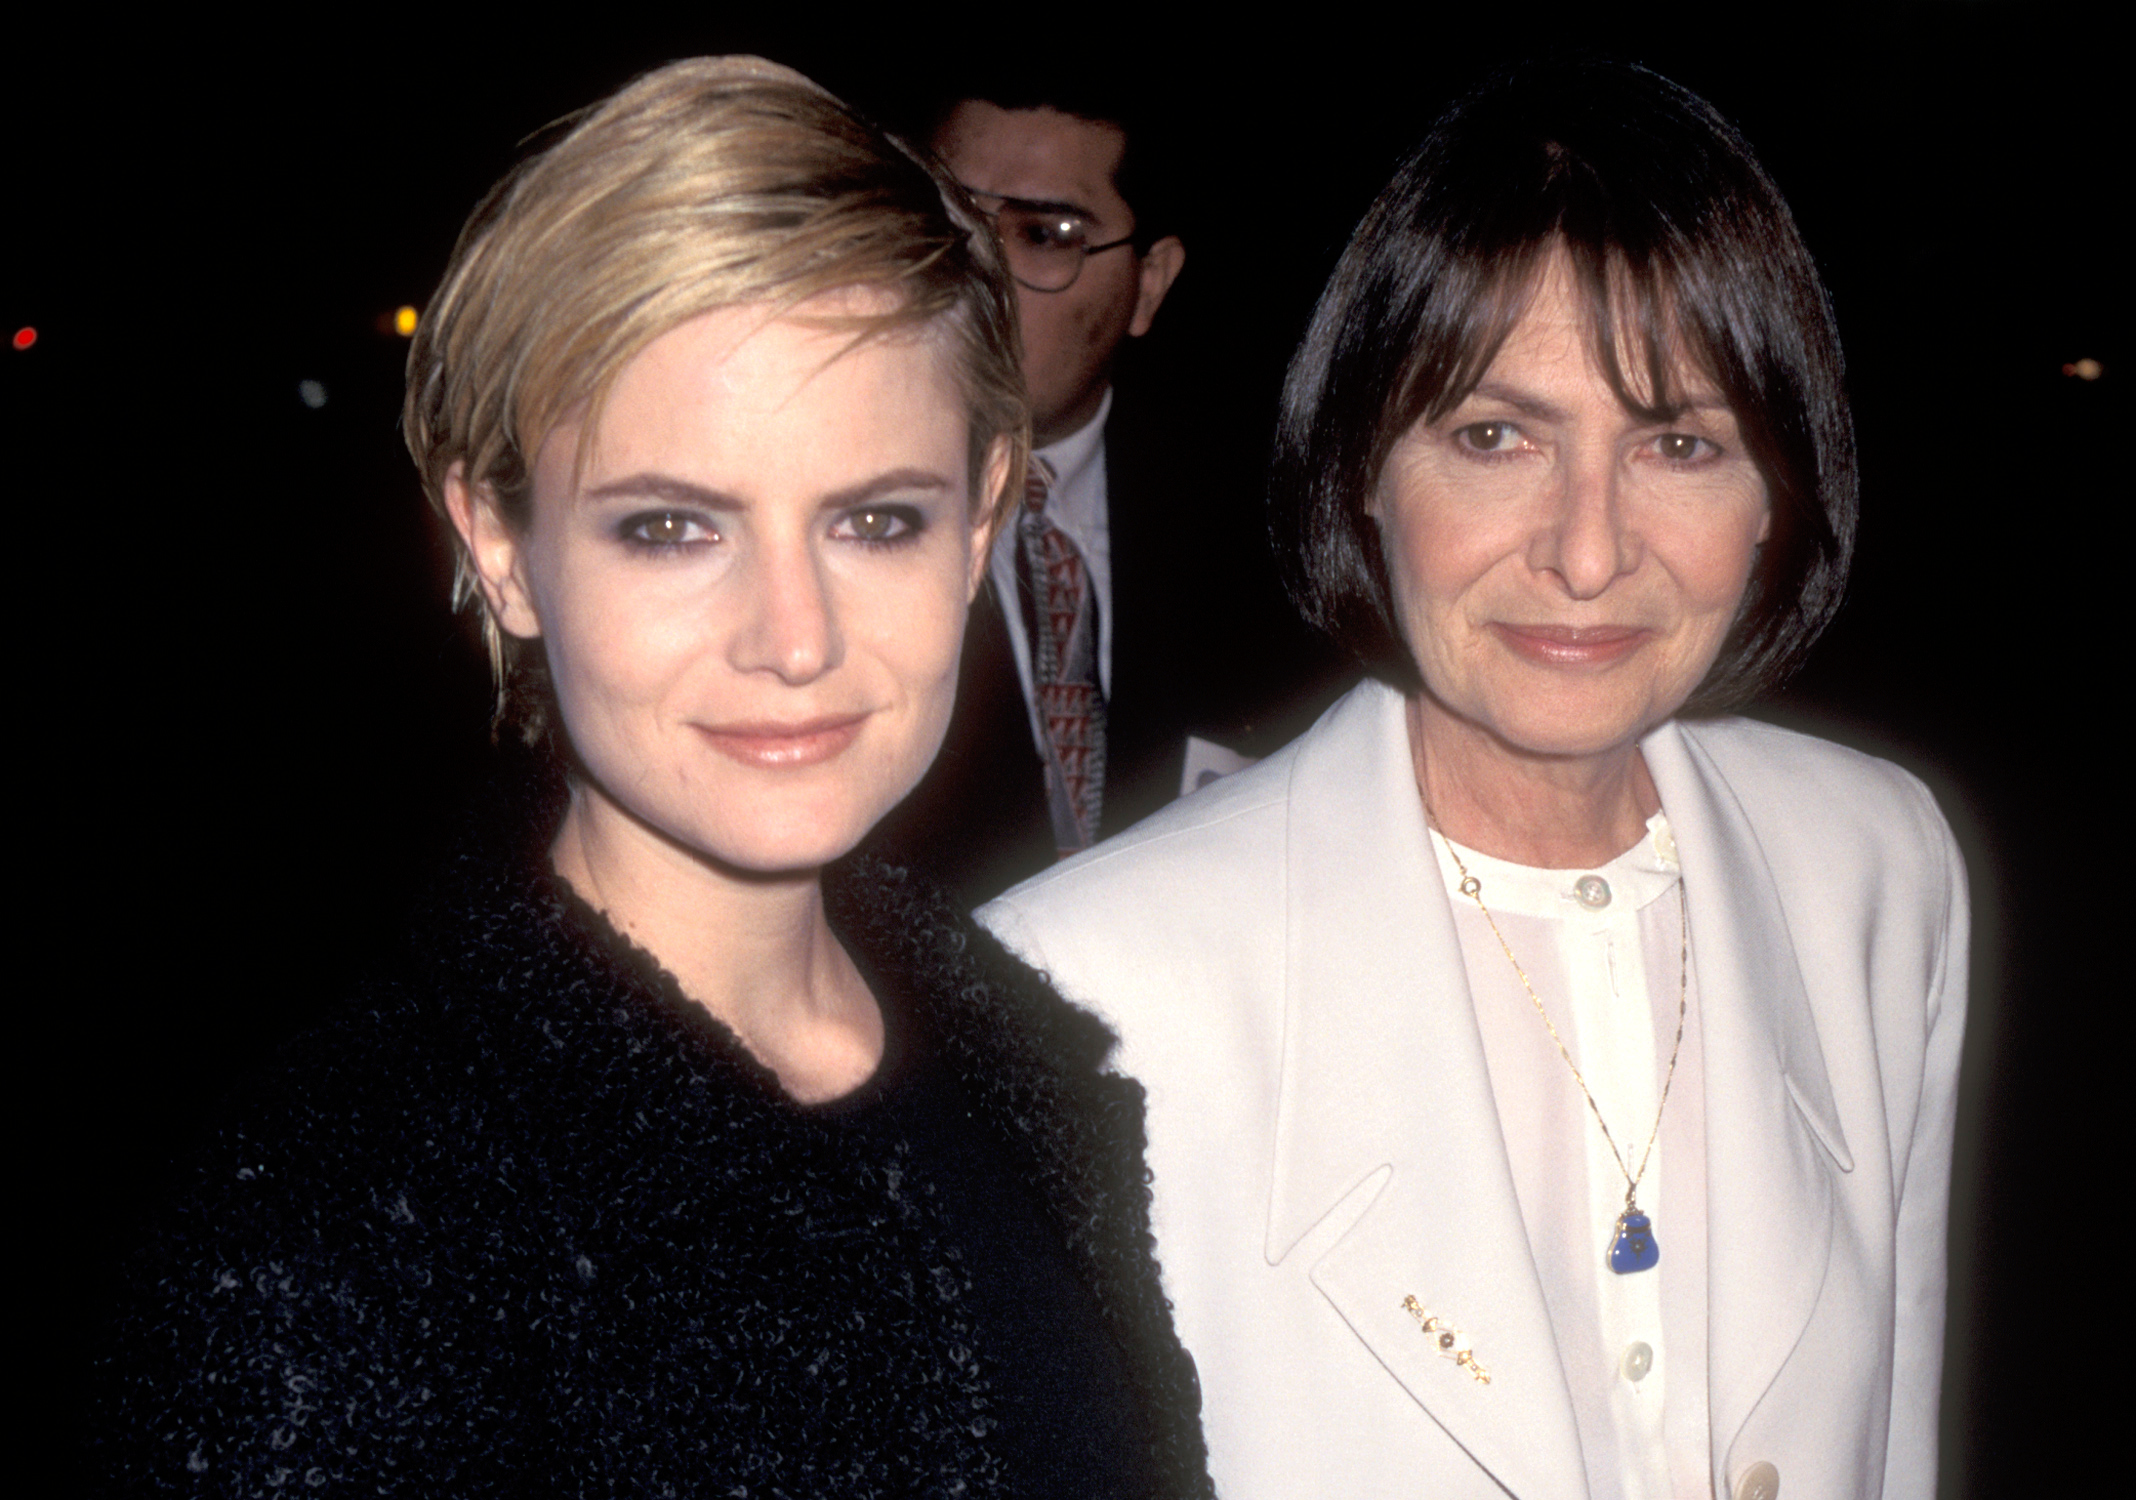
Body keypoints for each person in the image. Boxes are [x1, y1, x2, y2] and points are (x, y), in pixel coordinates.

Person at [90, 58, 1212, 1499]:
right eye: (673, 529)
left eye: (875, 520)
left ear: (984, 514)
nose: (795, 639)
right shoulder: (329, 1256)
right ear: (499, 546)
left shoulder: (1034, 1073)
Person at [980, 60, 1966, 1500]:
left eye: (1680, 444)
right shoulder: (1080, 989)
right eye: (1495, 436)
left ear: (1777, 498)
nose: (1584, 552)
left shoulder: (1879, 864)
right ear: (1364, 466)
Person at [865, 78, 1333, 904]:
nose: (977, 271)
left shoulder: (1274, 533)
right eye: (949, 218)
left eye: (1044, 234)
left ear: (1149, 284)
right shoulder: (829, 513)